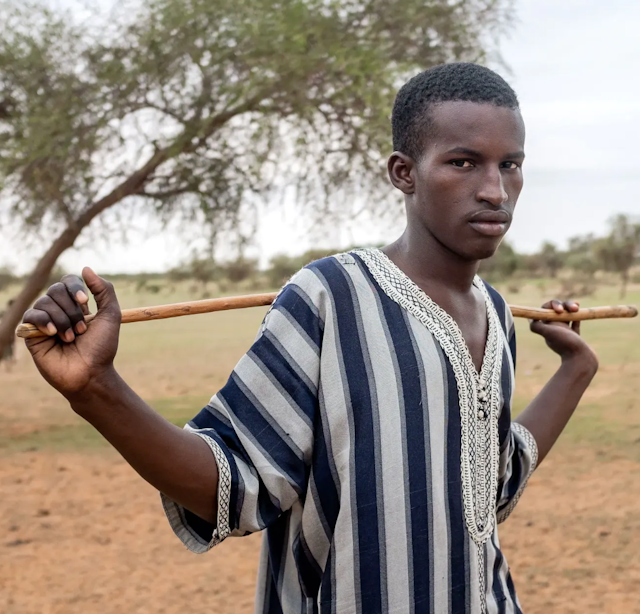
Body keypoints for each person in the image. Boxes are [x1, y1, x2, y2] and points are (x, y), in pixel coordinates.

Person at [21, 63, 598, 614]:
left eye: (511, 165)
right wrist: (96, 389)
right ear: (404, 172)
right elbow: (232, 485)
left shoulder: (495, 314)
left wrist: (575, 372)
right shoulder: (331, 298)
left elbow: (487, 486)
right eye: (464, 163)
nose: (496, 190)